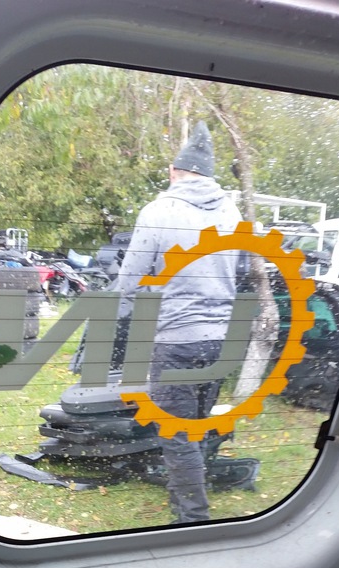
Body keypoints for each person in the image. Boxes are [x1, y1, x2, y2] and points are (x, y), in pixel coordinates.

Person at [117, 121, 241, 523]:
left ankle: (192, 520)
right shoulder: (231, 211)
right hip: (221, 340)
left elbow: (129, 282)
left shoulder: (159, 212)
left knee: (176, 433)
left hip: (178, 341)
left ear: (174, 171)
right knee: (196, 426)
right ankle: (187, 502)